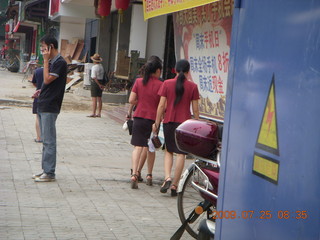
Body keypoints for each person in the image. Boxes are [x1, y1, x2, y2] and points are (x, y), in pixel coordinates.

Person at [153, 59, 200, 196]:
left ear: (175, 69)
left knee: (169, 151)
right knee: (181, 154)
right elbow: (195, 110)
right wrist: (196, 124)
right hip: (184, 124)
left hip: (169, 122)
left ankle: (167, 178)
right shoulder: (193, 87)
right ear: (188, 71)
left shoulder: (167, 83)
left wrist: (156, 123)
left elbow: (161, 106)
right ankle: (175, 184)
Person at [32, 34, 67, 182]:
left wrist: (45, 61)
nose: (42, 51)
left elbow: (47, 79)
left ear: (51, 47)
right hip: (43, 102)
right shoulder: (54, 61)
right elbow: (49, 84)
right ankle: (45, 170)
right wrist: (41, 91)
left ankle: (50, 172)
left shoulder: (59, 62)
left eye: (44, 48)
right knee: (45, 140)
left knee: (49, 141)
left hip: (50, 105)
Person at [128, 56, 163, 189]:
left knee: (137, 147)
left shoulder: (138, 82)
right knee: (151, 148)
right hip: (153, 120)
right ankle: (149, 175)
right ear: (158, 70)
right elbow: (162, 105)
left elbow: (131, 100)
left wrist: (140, 103)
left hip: (139, 117)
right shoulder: (161, 84)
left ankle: (134, 174)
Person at [88, 53, 105, 118]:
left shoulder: (94, 67)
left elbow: (94, 77)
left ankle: (93, 113)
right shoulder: (101, 66)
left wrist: (98, 84)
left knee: (94, 98)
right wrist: (101, 84)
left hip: (95, 83)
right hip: (101, 81)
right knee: (99, 98)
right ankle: (99, 113)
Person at [31, 67, 44, 143]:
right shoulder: (53, 71)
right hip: (49, 97)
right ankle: (46, 137)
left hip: (38, 96)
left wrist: (39, 87)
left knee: (38, 117)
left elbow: (34, 83)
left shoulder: (38, 71)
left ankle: (39, 137)